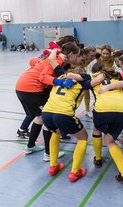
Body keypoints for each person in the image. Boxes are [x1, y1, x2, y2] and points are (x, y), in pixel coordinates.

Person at [42, 49, 104, 182]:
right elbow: (97, 80)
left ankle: (53, 166)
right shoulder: (83, 82)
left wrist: (55, 50)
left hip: (46, 113)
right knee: (83, 138)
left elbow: (51, 59)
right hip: (63, 114)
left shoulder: (61, 75)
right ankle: (74, 172)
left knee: (56, 133)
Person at [70, 62, 123, 187]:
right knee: (110, 141)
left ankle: (98, 159)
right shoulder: (117, 75)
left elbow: (72, 75)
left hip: (103, 109)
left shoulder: (92, 76)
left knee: (97, 130)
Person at [15, 42, 80, 161]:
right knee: (47, 118)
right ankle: (49, 153)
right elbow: (43, 77)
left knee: (40, 116)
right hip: (31, 88)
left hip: (21, 87)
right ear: (71, 54)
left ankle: (30, 147)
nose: (78, 59)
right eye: (77, 56)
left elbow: (33, 62)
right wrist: (60, 82)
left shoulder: (54, 58)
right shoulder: (58, 60)